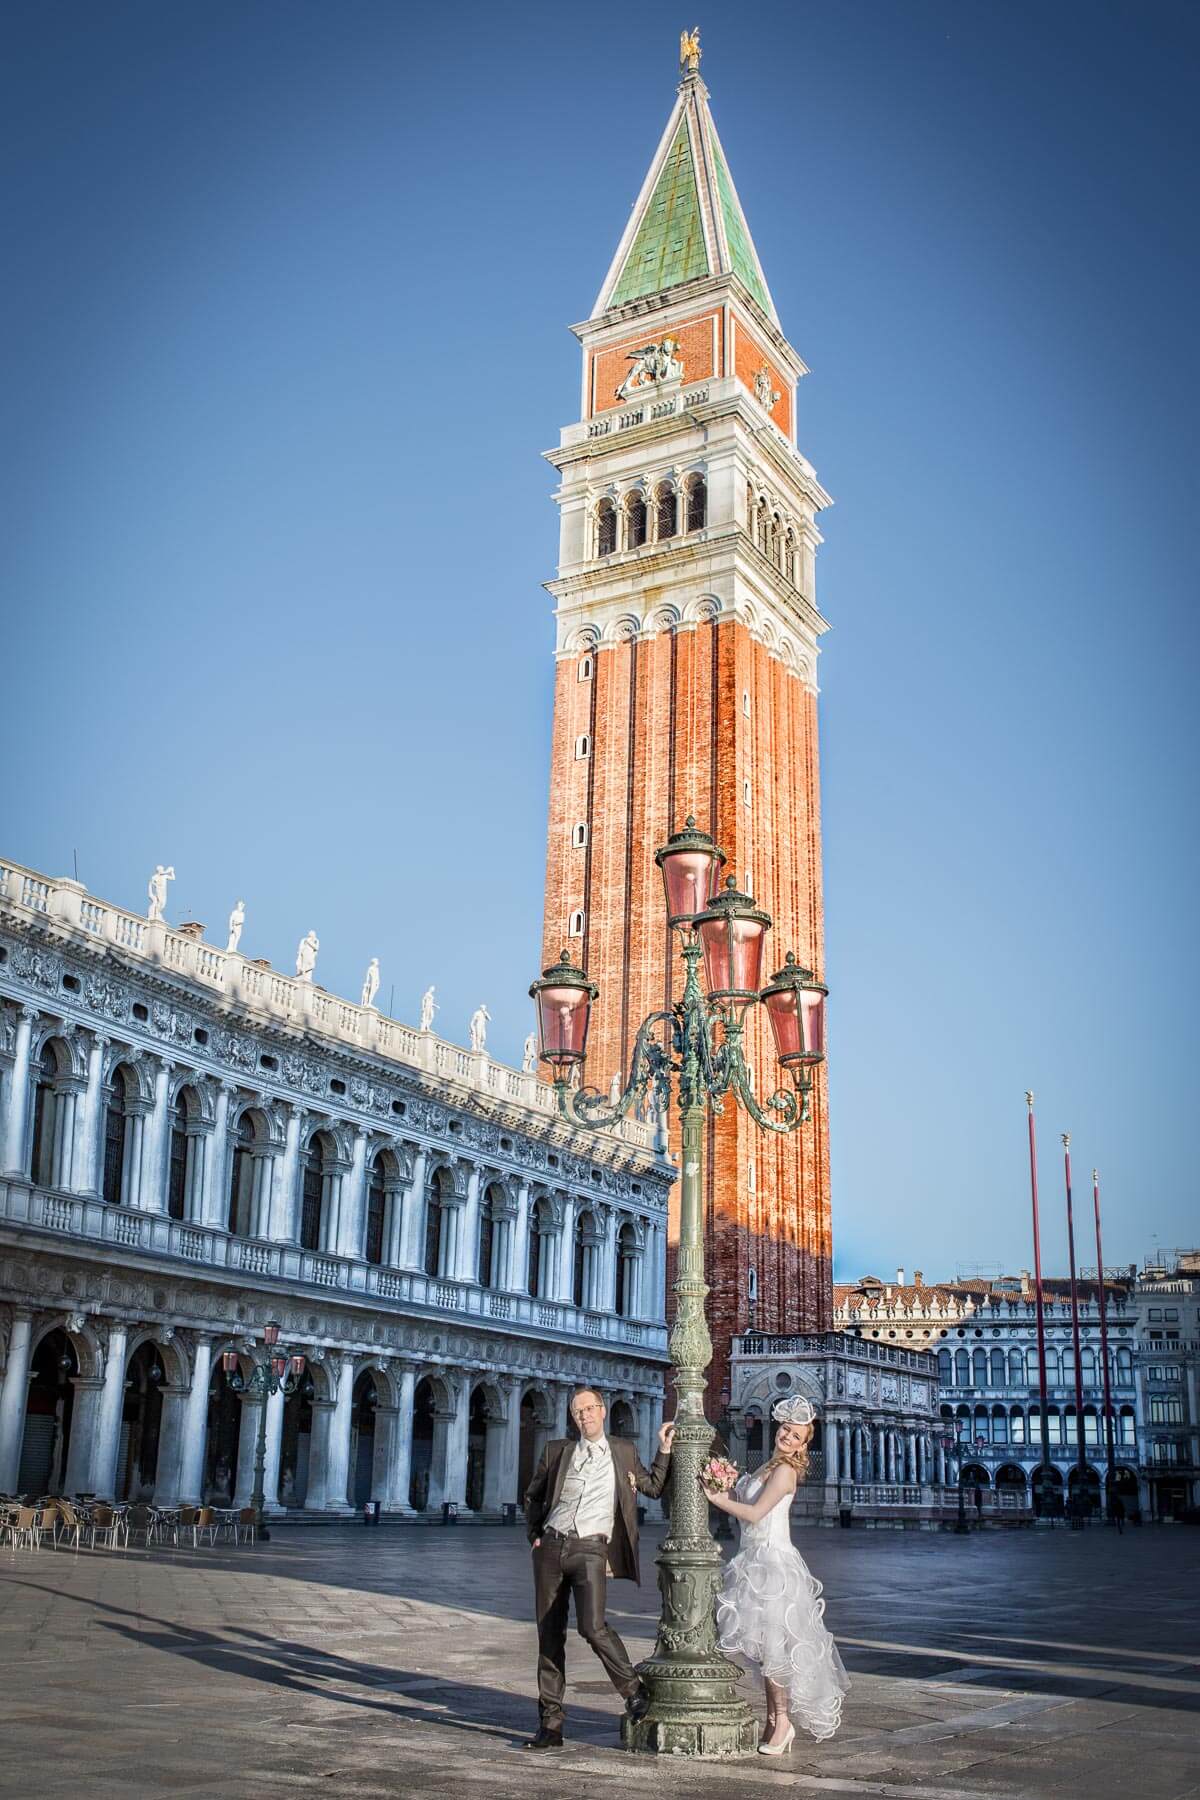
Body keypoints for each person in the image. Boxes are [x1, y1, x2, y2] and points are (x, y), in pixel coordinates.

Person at [522, 1388, 674, 1751]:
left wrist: (664, 1450)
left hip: (591, 1548)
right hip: (552, 1545)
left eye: (590, 1409)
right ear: (572, 1418)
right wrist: (535, 1536)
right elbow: (533, 1494)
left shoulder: (622, 1452)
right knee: (549, 1635)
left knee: (593, 1626)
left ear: (602, 1412)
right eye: (578, 1412)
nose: (584, 1416)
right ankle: (551, 1724)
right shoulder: (557, 1451)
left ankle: (633, 1690)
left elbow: (652, 1486)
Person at [708, 1396, 848, 1754]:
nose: (787, 1436)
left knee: (775, 1651)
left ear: (804, 1444)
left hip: (772, 1563)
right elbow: (747, 1497)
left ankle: (782, 1722)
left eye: (796, 1435)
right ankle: (774, 1722)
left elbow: (755, 1514)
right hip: (752, 1559)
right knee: (767, 1651)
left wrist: (718, 1500)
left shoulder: (785, 1471)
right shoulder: (769, 1466)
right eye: (786, 1428)